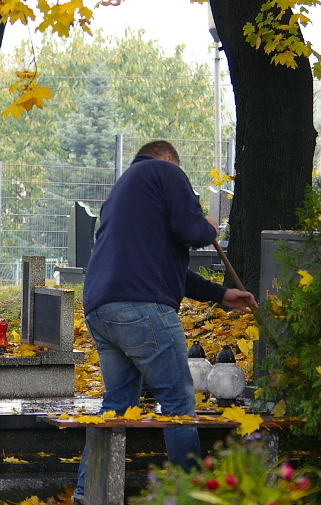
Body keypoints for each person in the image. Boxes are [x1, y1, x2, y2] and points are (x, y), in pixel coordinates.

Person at [72, 140, 256, 504]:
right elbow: (192, 231)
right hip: (143, 309)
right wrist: (210, 227)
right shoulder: (165, 170)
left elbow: (163, 266)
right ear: (170, 159)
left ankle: (88, 493)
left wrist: (220, 294)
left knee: (116, 405)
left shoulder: (121, 194)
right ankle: (188, 495)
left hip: (101, 310)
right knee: (178, 402)